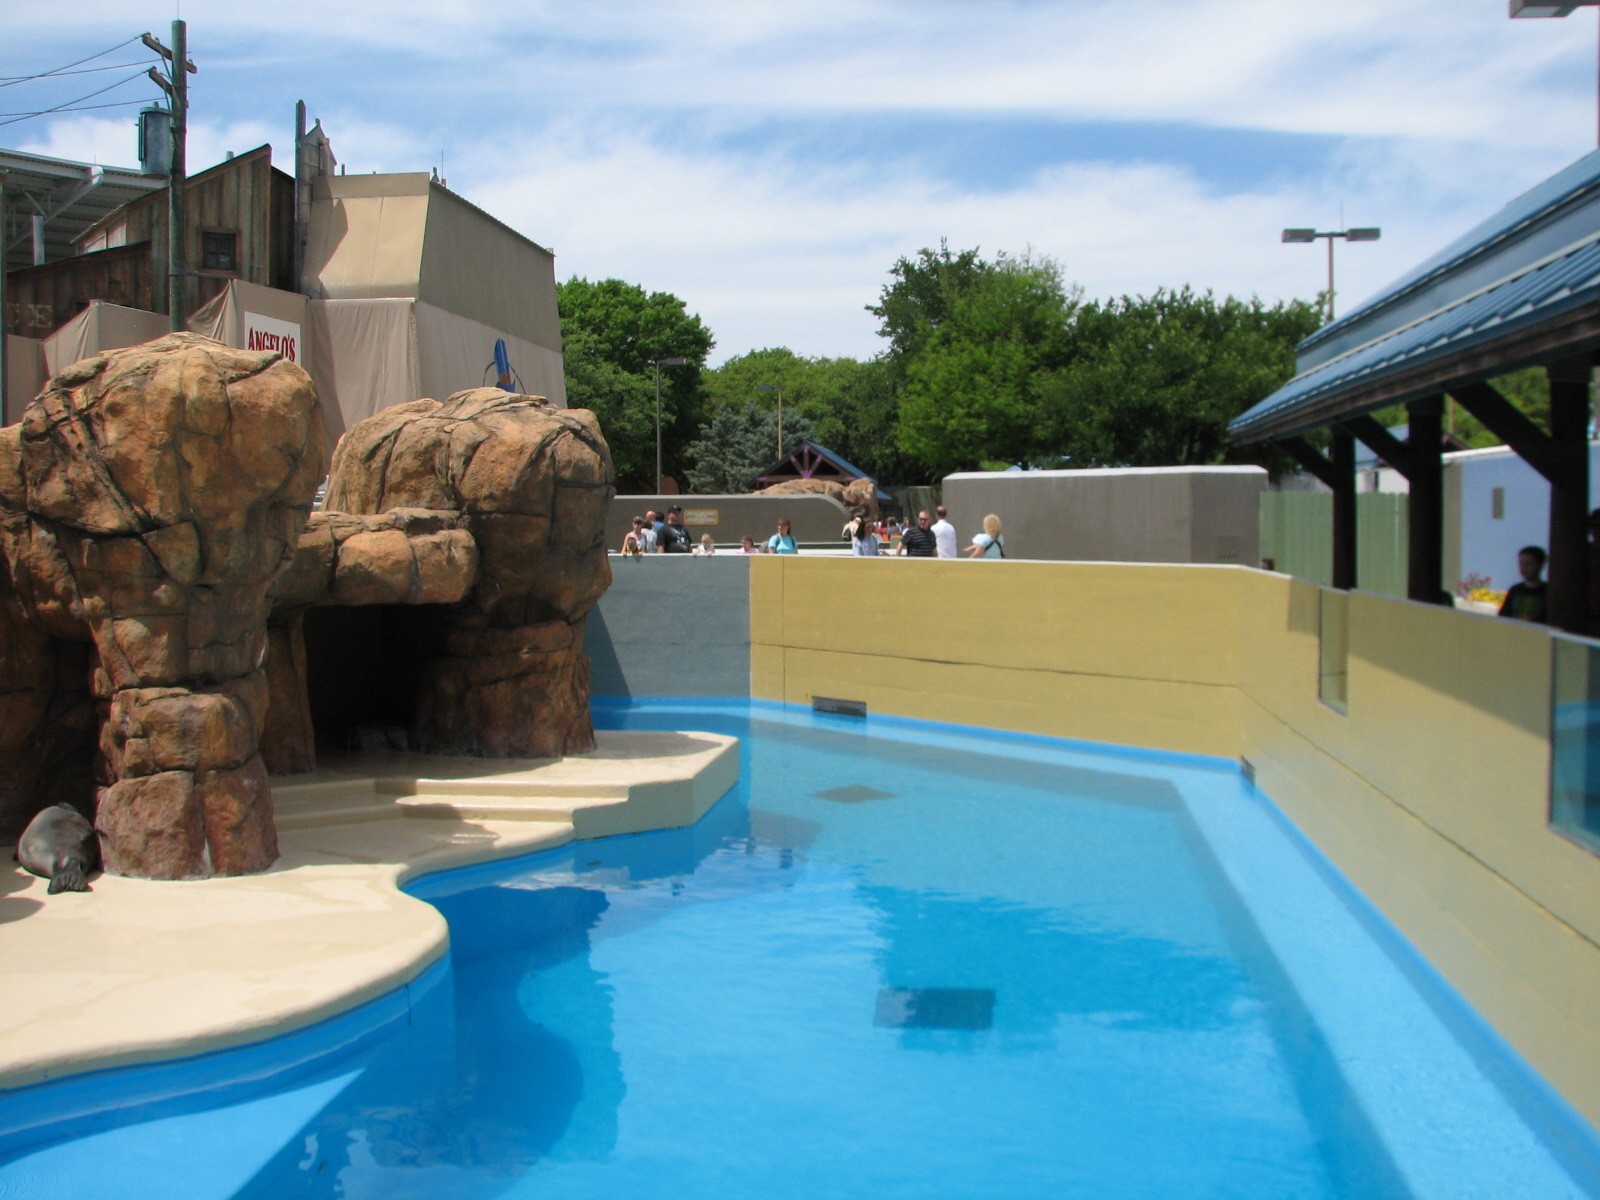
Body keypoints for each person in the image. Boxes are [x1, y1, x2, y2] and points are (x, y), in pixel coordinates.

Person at [1499, 545, 1548, 623]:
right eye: (1521, 563)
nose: (1524, 567)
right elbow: (1503, 617)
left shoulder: (1548, 592)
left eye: (1529, 563)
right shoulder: (1515, 590)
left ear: (1540, 565)